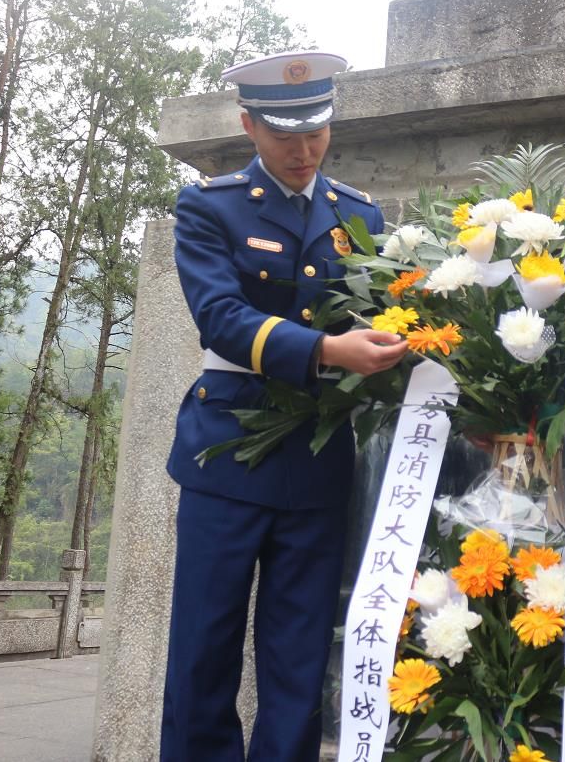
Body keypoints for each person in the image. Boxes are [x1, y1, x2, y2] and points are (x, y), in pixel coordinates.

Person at [161, 50, 408, 761]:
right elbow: (221, 318)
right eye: (283, 135)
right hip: (227, 456)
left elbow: (389, 314)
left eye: (316, 132)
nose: (303, 150)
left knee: (297, 661)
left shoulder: (359, 215)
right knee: (203, 652)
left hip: (316, 462)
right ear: (249, 125)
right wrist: (330, 352)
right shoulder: (210, 206)